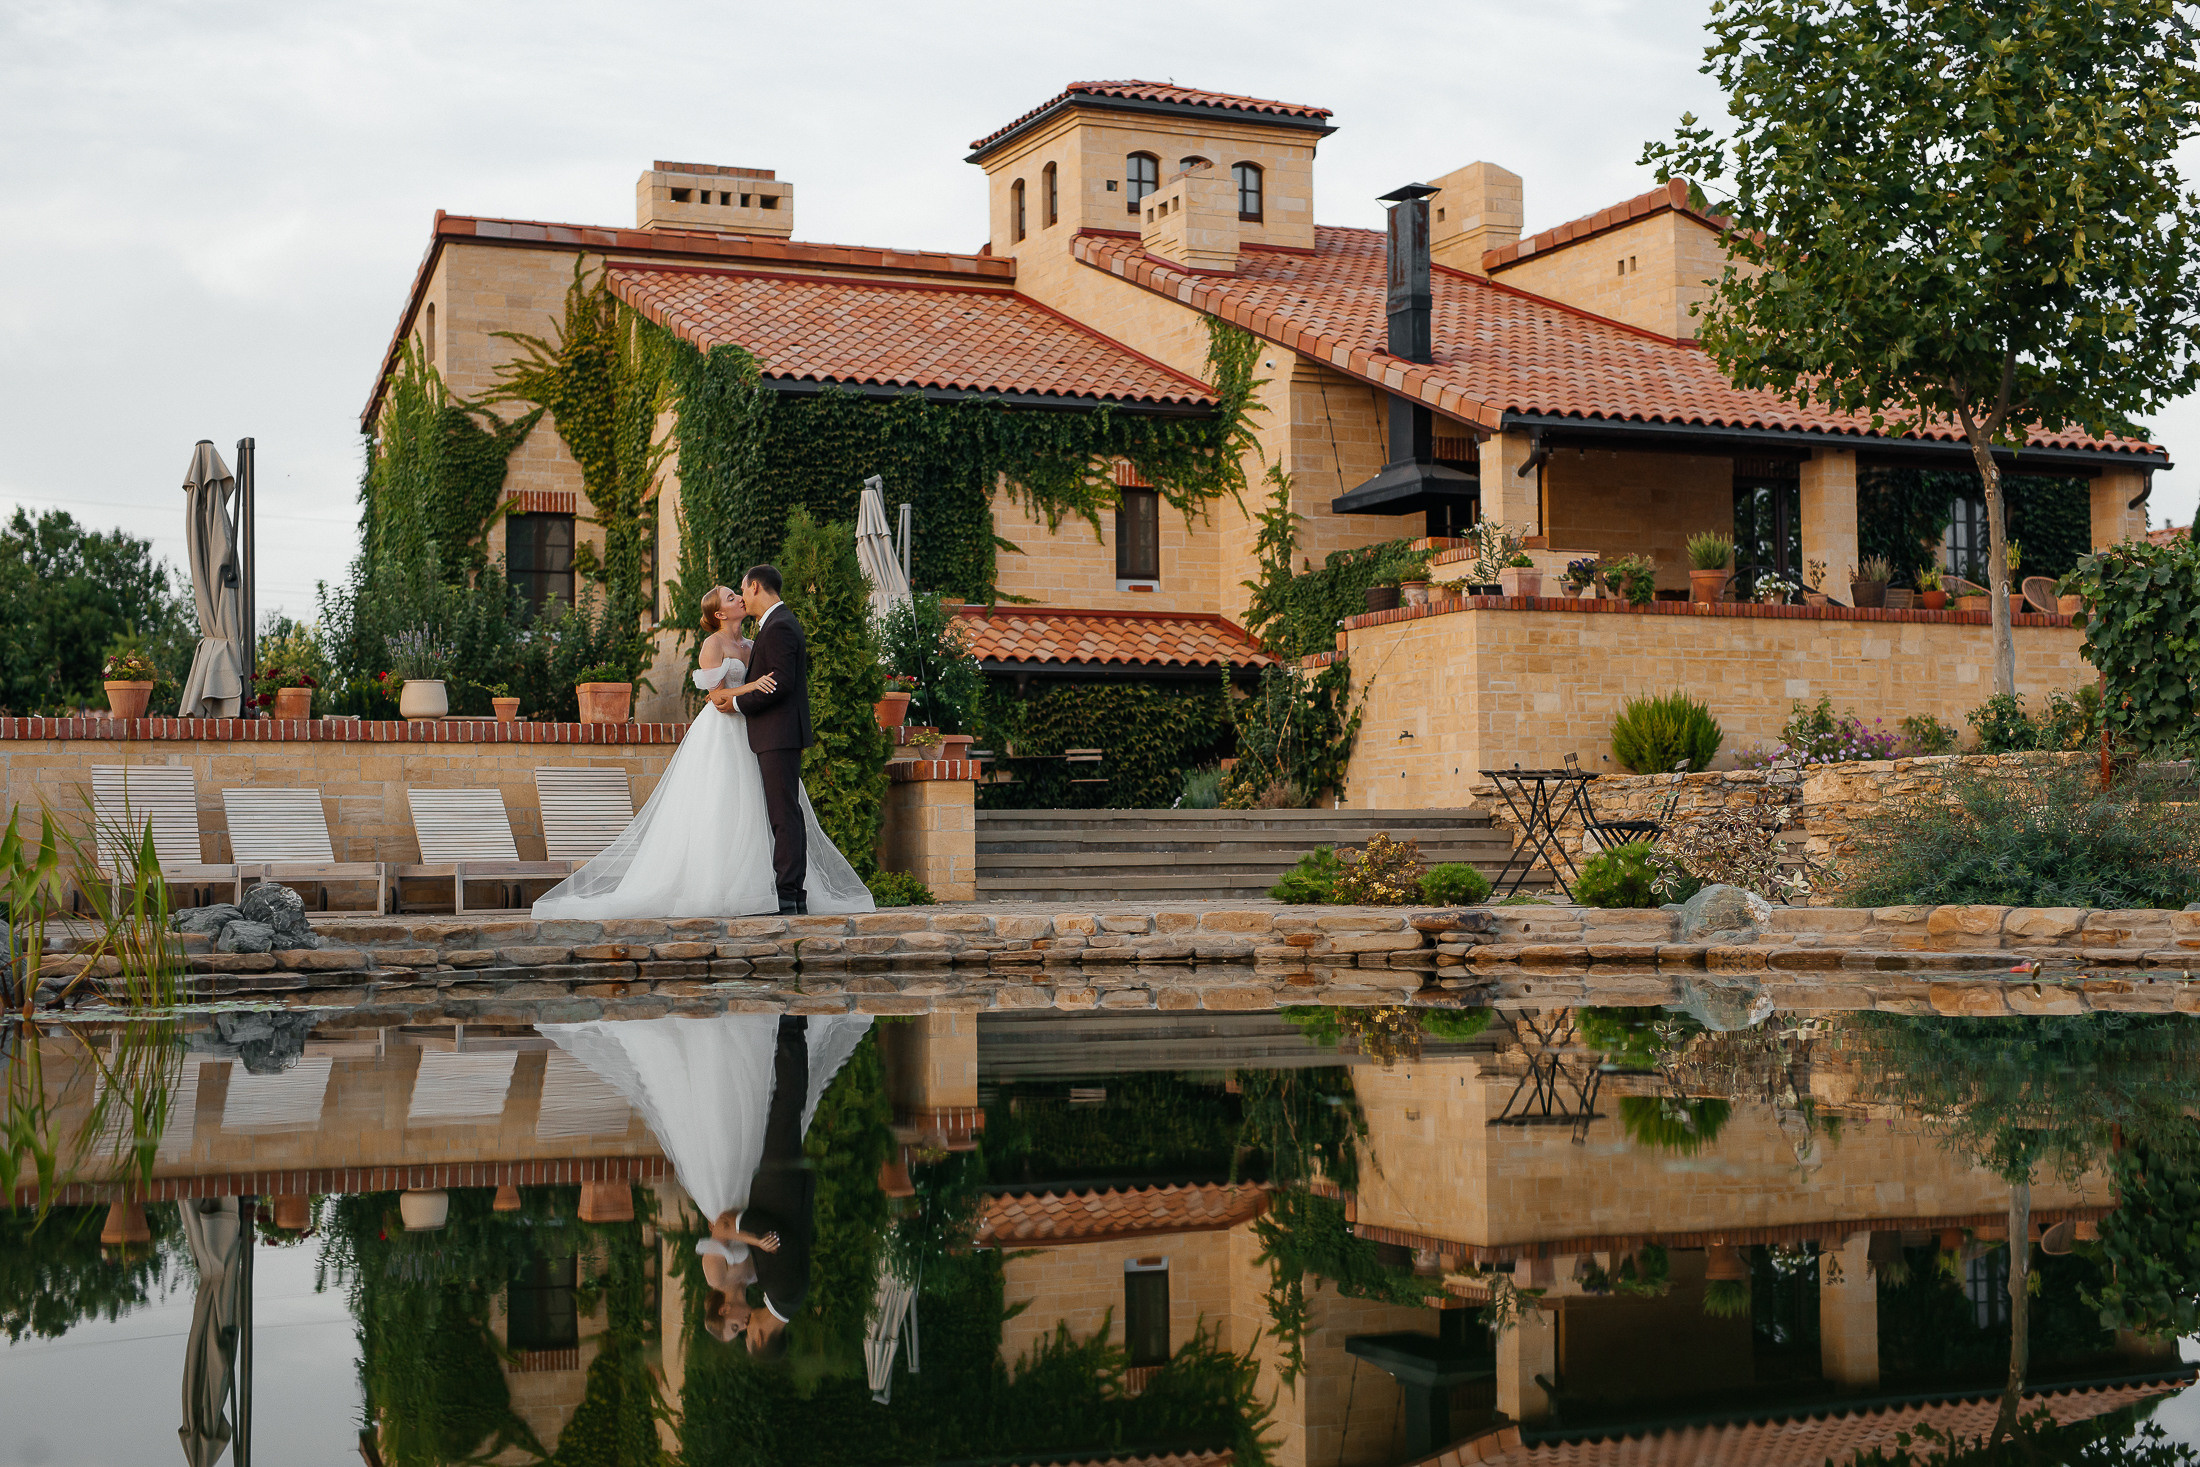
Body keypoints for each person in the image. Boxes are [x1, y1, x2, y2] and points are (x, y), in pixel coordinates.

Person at [530, 580, 871, 919]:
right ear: (720, 613)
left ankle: (764, 888)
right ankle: (717, 887)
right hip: (722, 731)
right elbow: (716, 697)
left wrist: (754, 689)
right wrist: (751, 685)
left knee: (756, 807)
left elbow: (771, 684)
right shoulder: (713, 644)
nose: (739, 599)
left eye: (737, 593)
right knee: (720, 803)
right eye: (731, 597)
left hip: (753, 729)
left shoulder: (753, 644)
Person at [536, 1013, 873, 1348]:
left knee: (738, 1113)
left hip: (726, 1189)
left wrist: (754, 1240)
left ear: (723, 1310)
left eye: (734, 1327)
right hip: (753, 1191)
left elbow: (723, 1227)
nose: (742, 1326)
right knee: (771, 1109)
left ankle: (774, 1029)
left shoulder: (716, 1275)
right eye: (742, 1331)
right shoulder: (756, 1280)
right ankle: (780, 1030)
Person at [709, 566, 813, 915]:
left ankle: (788, 894)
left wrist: (737, 704)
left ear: (755, 587)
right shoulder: (774, 624)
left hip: (778, 732)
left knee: (784, 815)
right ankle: (792, 893)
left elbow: (779, 684)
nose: (741, 596)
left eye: (742, 590)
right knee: (785, 812)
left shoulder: (779, 625)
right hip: (774, 733)